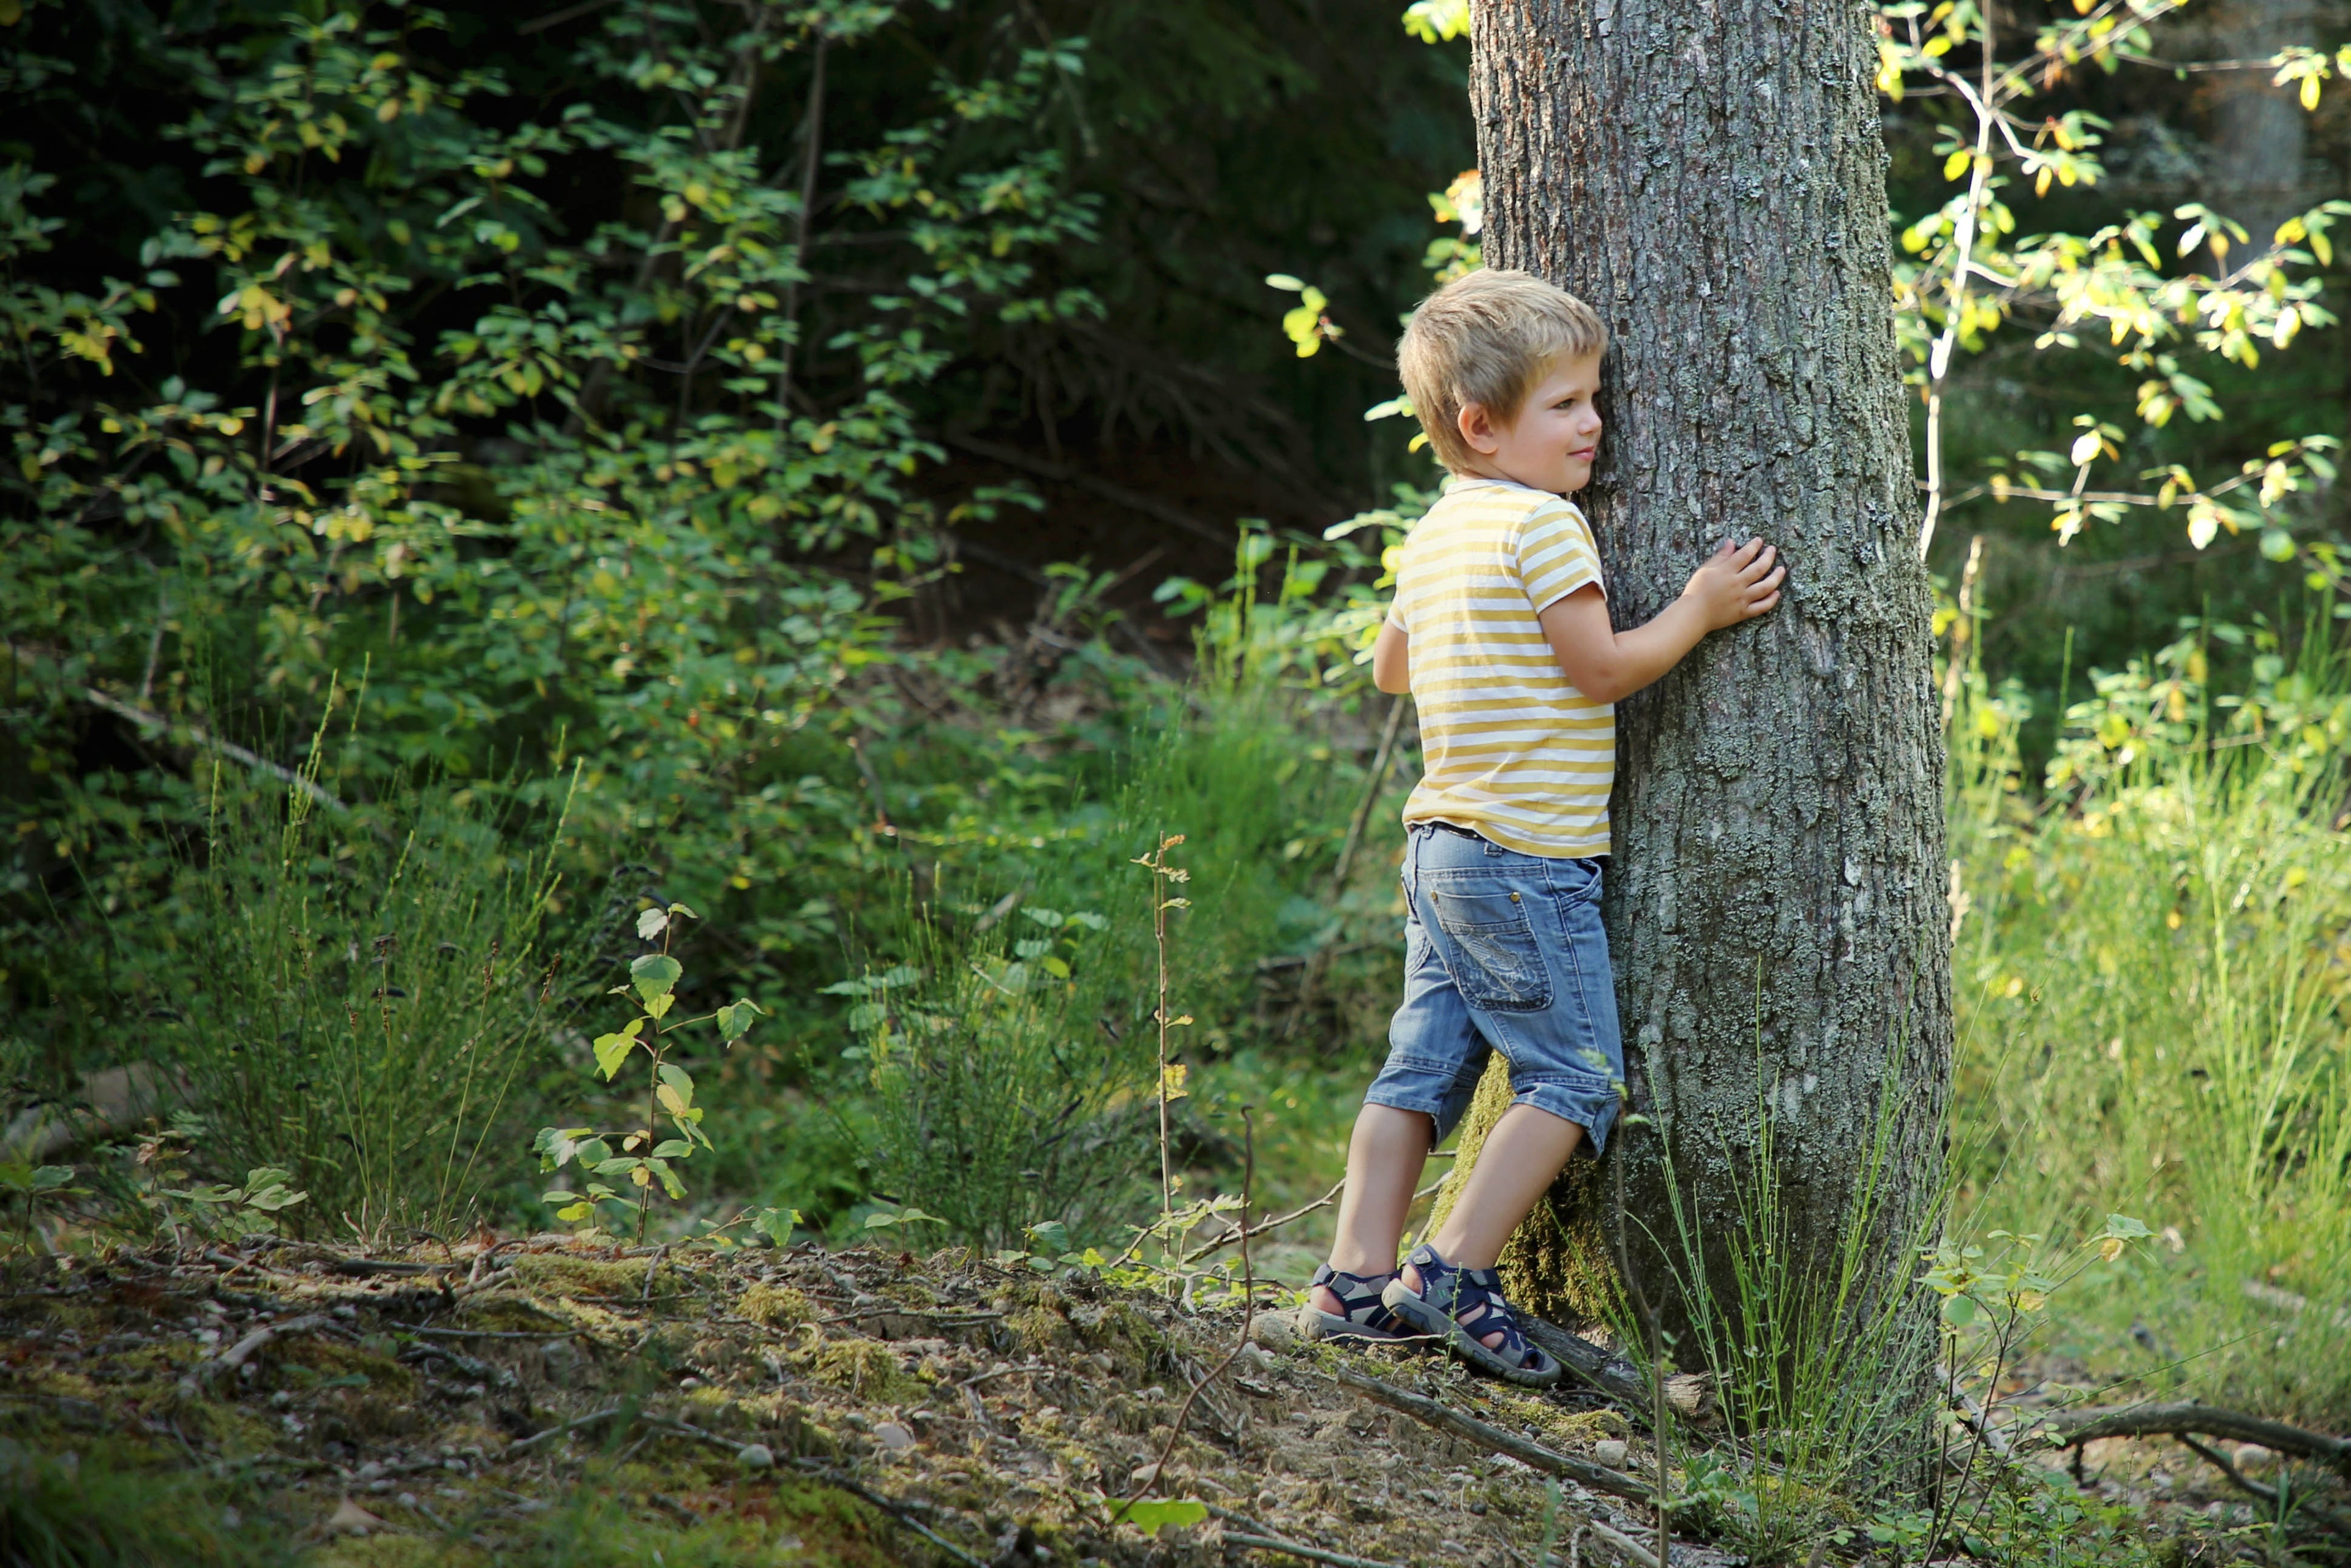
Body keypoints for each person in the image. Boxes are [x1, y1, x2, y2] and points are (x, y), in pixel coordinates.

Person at [1305, 268, 1785, 1386]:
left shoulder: (1435, 534)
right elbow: (1604, 667)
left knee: (1418, 1072)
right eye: (1565, 404)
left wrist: (1478, 647)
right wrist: (1701, 606)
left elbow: (1390, 667)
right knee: (1573, 1077)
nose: (1595, 422)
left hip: (1441, 849)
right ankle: (1454, 1270)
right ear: (1483, 425)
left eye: (1592, 396)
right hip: (1524, 857)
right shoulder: (1545, 525)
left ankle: (1350, 1277)